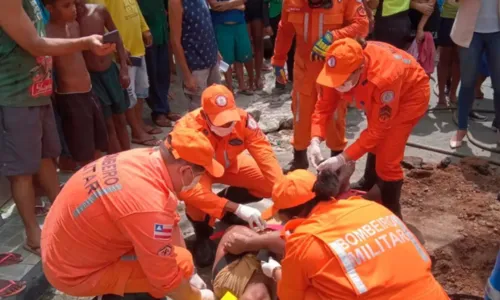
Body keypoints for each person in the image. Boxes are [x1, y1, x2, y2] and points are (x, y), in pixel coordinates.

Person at [41, 128, 220, 300]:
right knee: (176, 268)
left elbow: (170, 224)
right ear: (185, 171)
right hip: (74, 272)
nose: (199, 181)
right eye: (200, 174)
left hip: (63, 244)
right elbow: (165, 279)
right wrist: (195, 296)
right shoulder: (150, 205)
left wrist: (191, 275)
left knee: (182, 263)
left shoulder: (145, 159)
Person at [0, 0, 114, 257]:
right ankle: (33, 234)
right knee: (22, 172)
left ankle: (66, 216)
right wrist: (86, 42)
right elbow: (35, 44)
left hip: (37, 92)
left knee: (47, 159)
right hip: (14, 96)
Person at [259, 169, 449, 300]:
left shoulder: (304, 241)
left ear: (291, 214)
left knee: (309, 294)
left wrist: (276, 272)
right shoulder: (370, 207)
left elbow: (289, 297)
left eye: (280, 216)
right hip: (434, 294)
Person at [311, 38, 430, 219]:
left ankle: (393, 213)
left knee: (388, 158)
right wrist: (315, 140)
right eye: (334, 80)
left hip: (410, 96)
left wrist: (342, 159)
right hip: (377, 93)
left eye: (342, 80)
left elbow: (378, 131)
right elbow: (323, 107)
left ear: (359, 69)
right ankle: (369, 182)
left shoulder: (385, 78)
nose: (337, 85)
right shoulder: (336, 68)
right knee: (375, 143)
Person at [175, 84, 283, 267]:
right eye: (221, 122)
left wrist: (283, 192)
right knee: (196, 201)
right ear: (205, 116)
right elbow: (187, 189)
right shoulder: (185, 130)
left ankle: (225, 205)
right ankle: (203, 235)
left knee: (268, 183)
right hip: (199, 174)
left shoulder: (242, 120)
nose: (228, 125)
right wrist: (237, 208)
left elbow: (264, 153)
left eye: (229, 119)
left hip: (229, 166)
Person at [272, 0, 369, 173]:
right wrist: (278, 59)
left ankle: (335, 162)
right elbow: (285, 29)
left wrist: (334, 36)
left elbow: (362, 26)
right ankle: (299, 159)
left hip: (335, 69)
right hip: (304, 67)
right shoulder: (292, 2)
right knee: (301, 112)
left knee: (335, 114)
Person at [89, 0, 163, 146]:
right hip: (123, 52)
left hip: (137, 47)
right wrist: (117, 47)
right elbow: (98, 20)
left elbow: (134, 7)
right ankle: (136, 131)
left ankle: (140, 124)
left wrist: (144, 28)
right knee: (129, 94)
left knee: (141, 90)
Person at [45, 0, 109, 166]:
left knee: (98, 145)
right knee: (82, 151)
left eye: (73, 4)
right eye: (66, 6)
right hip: (71, 98)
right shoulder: (47, 34)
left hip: (89, 91)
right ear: (50, 9)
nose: (73, 9)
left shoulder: (74, 25)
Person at [76, 0, 131, 154]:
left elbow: (116, 36)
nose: (76, 4)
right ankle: (117, 161)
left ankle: (128, 156)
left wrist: (124, 69)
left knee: (121, 118)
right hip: (92, 78)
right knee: (108, 123)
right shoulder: (71, 23)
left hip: (110, 73)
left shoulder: (99, 11)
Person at [449, 0, 500, 148]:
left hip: (497, 33)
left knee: (499, 85)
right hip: (470, 32)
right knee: (467, 82)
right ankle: (461, 129)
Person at [169, 0, 221, 111]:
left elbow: (207, 25)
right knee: (198, 110)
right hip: (194, 65)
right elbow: (175, 41)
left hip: (211, 59)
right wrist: (187, 76)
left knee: (216, 103)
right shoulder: (176, 2)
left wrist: (216, 51)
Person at [138, 0, 181, 128]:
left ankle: (165, 107)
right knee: (153, 75)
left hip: (161, 30)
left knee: (163, 73)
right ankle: (158, 111)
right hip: (148, 34)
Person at [211, 225, 282, 299]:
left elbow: (234, 233)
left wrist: (250, 243)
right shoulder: (287, 293)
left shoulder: (223, 283)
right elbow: (286, 240)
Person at [208, 0, 254, 94]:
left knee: (241, 54)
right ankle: (229, 88)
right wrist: (236, 5)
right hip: (221, 25)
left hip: (239, 23)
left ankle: (242, 85)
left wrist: (225, 6)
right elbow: (215, 6)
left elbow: (243, 3)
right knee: (225, 59)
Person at [436, 0, 459, 106]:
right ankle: (441, 95)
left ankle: (453, 93)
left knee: (458, 59)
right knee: (444, 59)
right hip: (446, 18)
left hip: (464, 19)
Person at [245, 0, 271, 90]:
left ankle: (258, 77)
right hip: (242, 8)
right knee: (247, 46)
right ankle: (250, 78)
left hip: (258, 8)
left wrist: (266, 22)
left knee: (258, 44)